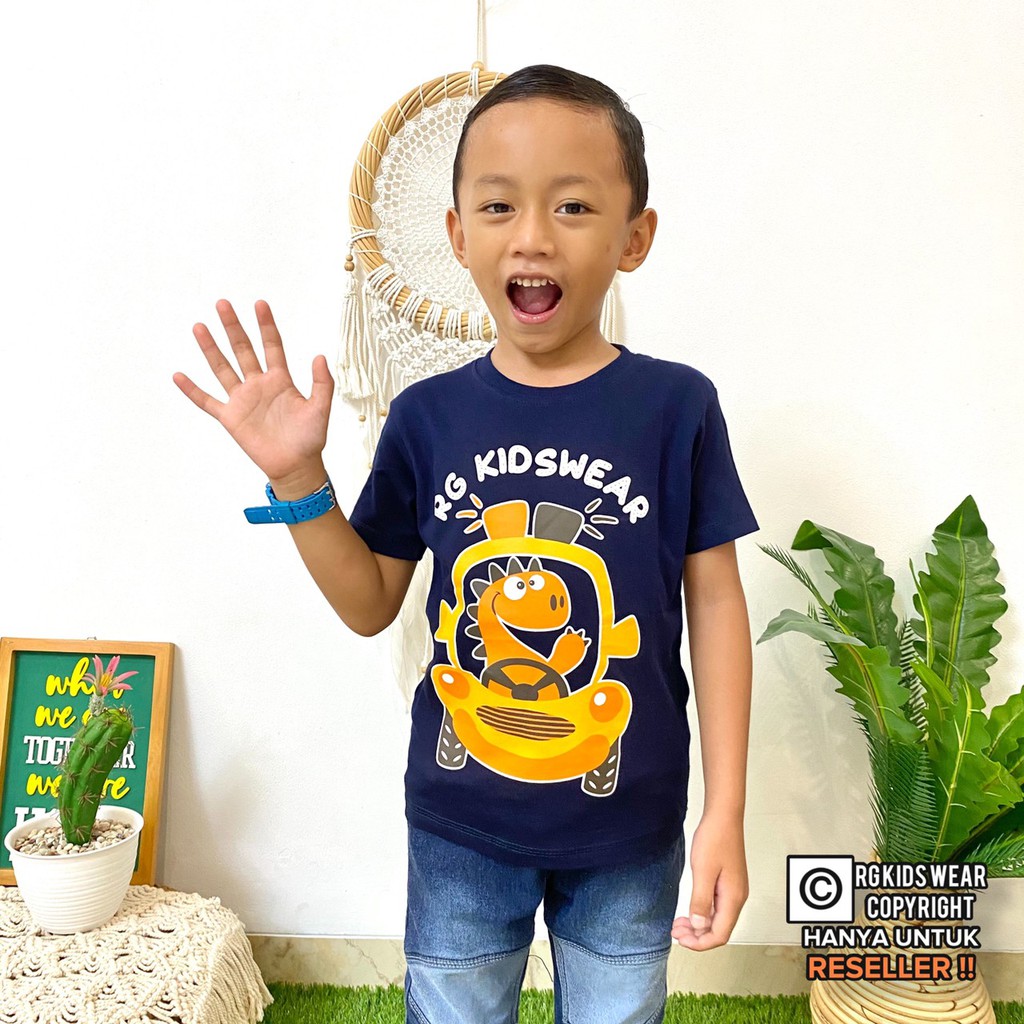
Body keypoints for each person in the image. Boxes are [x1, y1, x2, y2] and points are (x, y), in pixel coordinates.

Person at [175, 63, 758, 1024]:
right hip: (461, 823)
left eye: (573, 205)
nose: (532, 236)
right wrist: (298, 480)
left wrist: (725, 809)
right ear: (457, 234)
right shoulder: (427, 414)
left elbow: (718, 604)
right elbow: (369, 603)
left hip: (632, 818)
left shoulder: (677, 407)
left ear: (635, 236)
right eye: (498, 205)